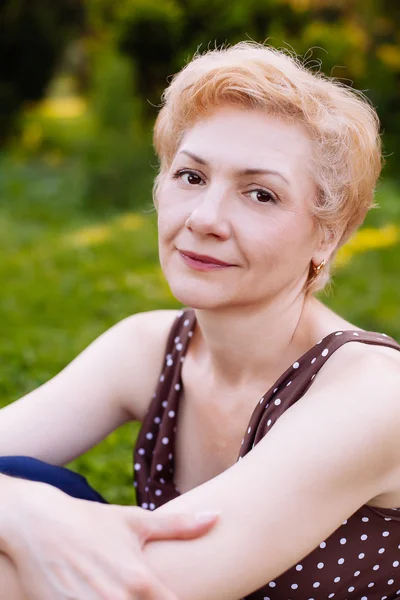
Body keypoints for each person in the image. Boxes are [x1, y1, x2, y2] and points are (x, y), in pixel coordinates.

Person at [1, 40, 400, 600]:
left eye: (260, 194)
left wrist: (30, 519)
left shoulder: (373, 395)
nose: (206, 218)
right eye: (191, 177)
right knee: (26, 477)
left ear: (327, 235)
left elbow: (142, 589)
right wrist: (24, 507)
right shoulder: (149, 347)